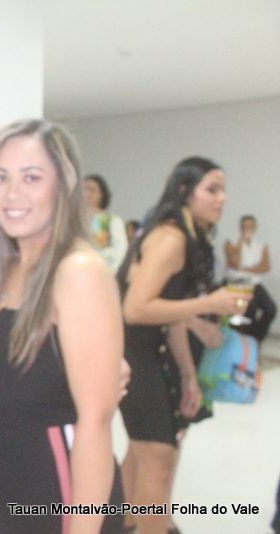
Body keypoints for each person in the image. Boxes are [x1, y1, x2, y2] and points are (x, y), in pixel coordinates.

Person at [0, 120, 124, 533]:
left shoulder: (78, 271)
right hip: (14, 488)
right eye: (0, 177)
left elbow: (95, 422)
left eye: (31, 177)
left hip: (62, 493)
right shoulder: (8, 267)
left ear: (63, 187)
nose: (12, 193)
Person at [116, 156, 246, 533]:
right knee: (158, 457)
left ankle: (128, 523)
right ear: (185, 191)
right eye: (212, 190)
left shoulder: (189, 237)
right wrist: (208, 304)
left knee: (144, 454)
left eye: (223, 190)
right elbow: (135, 308)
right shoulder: (171, 238)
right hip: (132, 357)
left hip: (153, 355)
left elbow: (169, 315)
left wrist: (189, 374)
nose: (222, 199)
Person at [224, 214, 276, 342]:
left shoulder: (261, 245)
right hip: (237, 283)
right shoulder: (231, 241)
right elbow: (234, 261)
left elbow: (265, 266)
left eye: (250, 226)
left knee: (271, 309)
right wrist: (241, 241)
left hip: (254, 283)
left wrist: (244, 268)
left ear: (255, 227)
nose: (247, 229)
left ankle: (256, 339)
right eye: (245, 226)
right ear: (240, 227)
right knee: (249, 309)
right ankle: (244, 341)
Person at [83, 173, 128, 272]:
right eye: (84, 189)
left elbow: (120, 251)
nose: (86, 193)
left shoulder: (112, 220)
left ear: (101, 194)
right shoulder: (72, 220)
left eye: (91, 190)